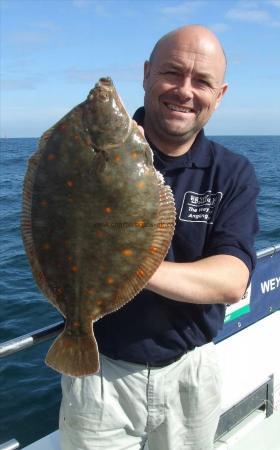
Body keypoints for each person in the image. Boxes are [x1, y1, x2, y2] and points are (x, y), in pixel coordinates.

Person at [59, 25, 259, 450]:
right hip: (101, 376)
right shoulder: (85, 155)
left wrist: (125, 261)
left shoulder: (232, 172)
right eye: (172, 73)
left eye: (202, 81)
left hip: (192, 374)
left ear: (219, 94)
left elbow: (231, 281)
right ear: (147, 74)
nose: (185, 91)